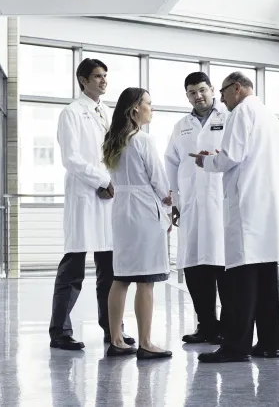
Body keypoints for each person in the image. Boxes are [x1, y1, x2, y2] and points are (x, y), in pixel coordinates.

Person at [188, 72, 279, 363]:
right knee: (267, 281)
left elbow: (231, 158)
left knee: (241, 283)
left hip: (246, 206)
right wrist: (222, 154)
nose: (223, 99)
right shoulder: (269, 115)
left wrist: (205, 160)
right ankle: (268, 344)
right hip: (265, 205)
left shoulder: (241, 111)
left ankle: (236, 346)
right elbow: (248, 155)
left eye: (225, 92)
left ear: (237, 88)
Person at [50, 58, 135, 351]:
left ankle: (113, 330)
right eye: (97, 76)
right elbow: (71, 158)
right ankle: (59, 332)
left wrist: (111, 182)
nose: (103, 81)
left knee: (109, 271)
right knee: (73, 269)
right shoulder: (71, 113)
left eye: (105, 76)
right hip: (85, 196)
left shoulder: (105, 112)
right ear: (83, 80)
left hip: (107, 198)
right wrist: (101, 181)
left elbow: (113, 151)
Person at [102, 87, 174, 359]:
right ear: (135, 108)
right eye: (148, 104)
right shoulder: (143, 140)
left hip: (122, 211)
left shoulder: (112, 140)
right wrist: (169, 202)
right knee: (146, 280)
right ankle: (145, 342)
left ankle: (117, 340)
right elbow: (159, 181)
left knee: (120, 277)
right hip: (144, 211)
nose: (151, 109)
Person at [163, 72, 228, 345]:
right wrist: (174, 201)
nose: (198, 96)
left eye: (202, 90)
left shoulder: (228, 118)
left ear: (212, 89)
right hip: (190, 205)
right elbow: (170, 163)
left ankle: (228, 327)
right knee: (194, 267)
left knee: (223, 267)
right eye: (192, 92)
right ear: (187, 96)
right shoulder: (182, 126)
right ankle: (206, 325)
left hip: (222, 203)